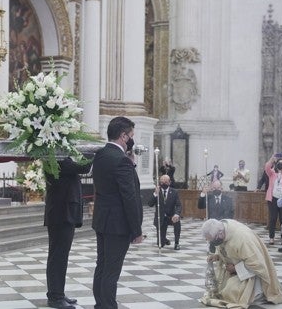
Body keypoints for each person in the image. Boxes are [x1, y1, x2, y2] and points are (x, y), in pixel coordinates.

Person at [92, 116, 143, 309]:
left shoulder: (101, 155)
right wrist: (136, 230)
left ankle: (100, 304)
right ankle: (108, 306)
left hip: (102, 220)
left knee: (102, 266)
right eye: (131, 135)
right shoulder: (121, 161)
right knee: (112, 271)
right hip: (118, 224)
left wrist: (131, 163)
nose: (132, 139)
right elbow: (129, 197)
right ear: (123, 136)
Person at [200, 219, 282, 308]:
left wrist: (235, 269)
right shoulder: (222, 229)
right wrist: (217, 256)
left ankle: (259, 293)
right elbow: (224, 249)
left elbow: (257, 265)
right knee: (219, 290)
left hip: (252, 274)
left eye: (213, 241)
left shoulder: (242, 238)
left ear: (220, 234)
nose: (213, 243)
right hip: (236, 271)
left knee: (230, 292)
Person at [44, 157, 92, 309]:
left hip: (64, 213)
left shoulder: (62, 159)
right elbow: (83, 168)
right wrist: (92, 153)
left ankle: (58, 292)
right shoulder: (57, 159)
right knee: (58, 256)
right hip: (61, 214)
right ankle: (55, 296)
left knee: (61, 256)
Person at [148, 174, 182, 250]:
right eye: (161, 182)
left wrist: (177, 214)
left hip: (171, 216)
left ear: (169, 182)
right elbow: (150, 204)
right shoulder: (157, 191)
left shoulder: (174, 192)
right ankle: (164, 240)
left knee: (177, 222)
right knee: (160, 244)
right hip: (161, 217)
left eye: (165, 182)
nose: (163, 184)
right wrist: (155, 194)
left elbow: (179, 205)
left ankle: (177, 243)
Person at [263, 155, 282, 245]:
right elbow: (267, 167)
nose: (280, 165)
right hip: (273, 199)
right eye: (279, 163)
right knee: (273, 218)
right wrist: (272, 158)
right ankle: (271, 238)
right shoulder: (272, 174)